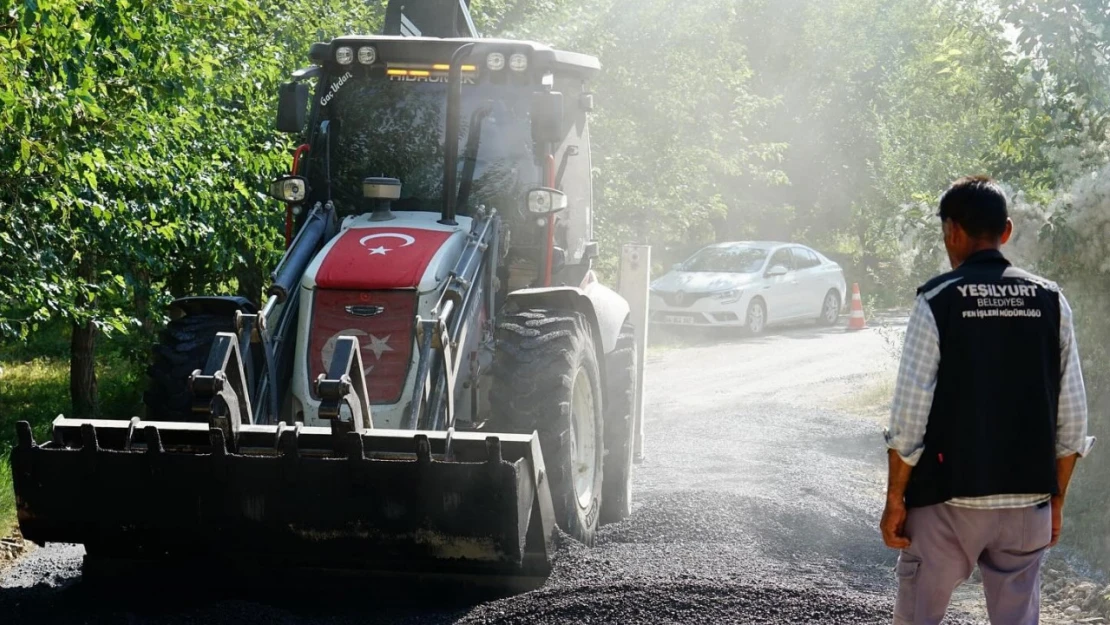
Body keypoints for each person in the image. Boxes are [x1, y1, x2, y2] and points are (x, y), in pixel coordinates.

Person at [880, 175, 1094, 625]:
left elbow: (909, 421)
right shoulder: (1052, 301)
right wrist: (1055, 500)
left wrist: (896, 499)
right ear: (1008, 231)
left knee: (918, 615)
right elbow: (1072, 422)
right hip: (1027, 502)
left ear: (951, 232)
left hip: (946, 502)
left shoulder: (937, 300)